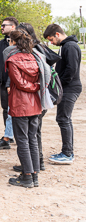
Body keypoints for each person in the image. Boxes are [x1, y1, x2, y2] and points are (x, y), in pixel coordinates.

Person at [12, 23, 60, 173]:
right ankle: (35, 167)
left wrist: (37, 87)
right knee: (33, 134)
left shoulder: (32, 52)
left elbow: (20, 81)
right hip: (38, 96)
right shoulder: (39, 51)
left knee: (29, 136)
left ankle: (32, 168)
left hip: (32, 97)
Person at [4, 29, 48, 188]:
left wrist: (32, 86)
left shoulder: (12, 60)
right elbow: (38, 80)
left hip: (20, 104)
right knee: (32, 140)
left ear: (13, 42)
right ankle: (34, 174)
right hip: (35, 103)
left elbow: (19, 83)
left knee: (22, 140)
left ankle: (27, 176)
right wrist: (36, 86)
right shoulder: (36, 58)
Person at [43, 23, 82, 165]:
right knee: (64, 118)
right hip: (67, 87)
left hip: (70, 88)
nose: (51, 43)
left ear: (57, 34)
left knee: (63, 119)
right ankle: (67, 151)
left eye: (51, 39)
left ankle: (67, 153)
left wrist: (58, 84)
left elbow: (71, 70)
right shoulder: (66, 46)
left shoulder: (70, 46)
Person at [0, 16, 18, 150]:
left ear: (13, 27)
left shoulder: (20, 42)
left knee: (16, 109)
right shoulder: (1, 43)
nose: (1, 27)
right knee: (5, 108)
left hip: (16, 84)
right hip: (3, 82)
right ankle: (8, 135)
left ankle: (16, 135)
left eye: (4, 25)